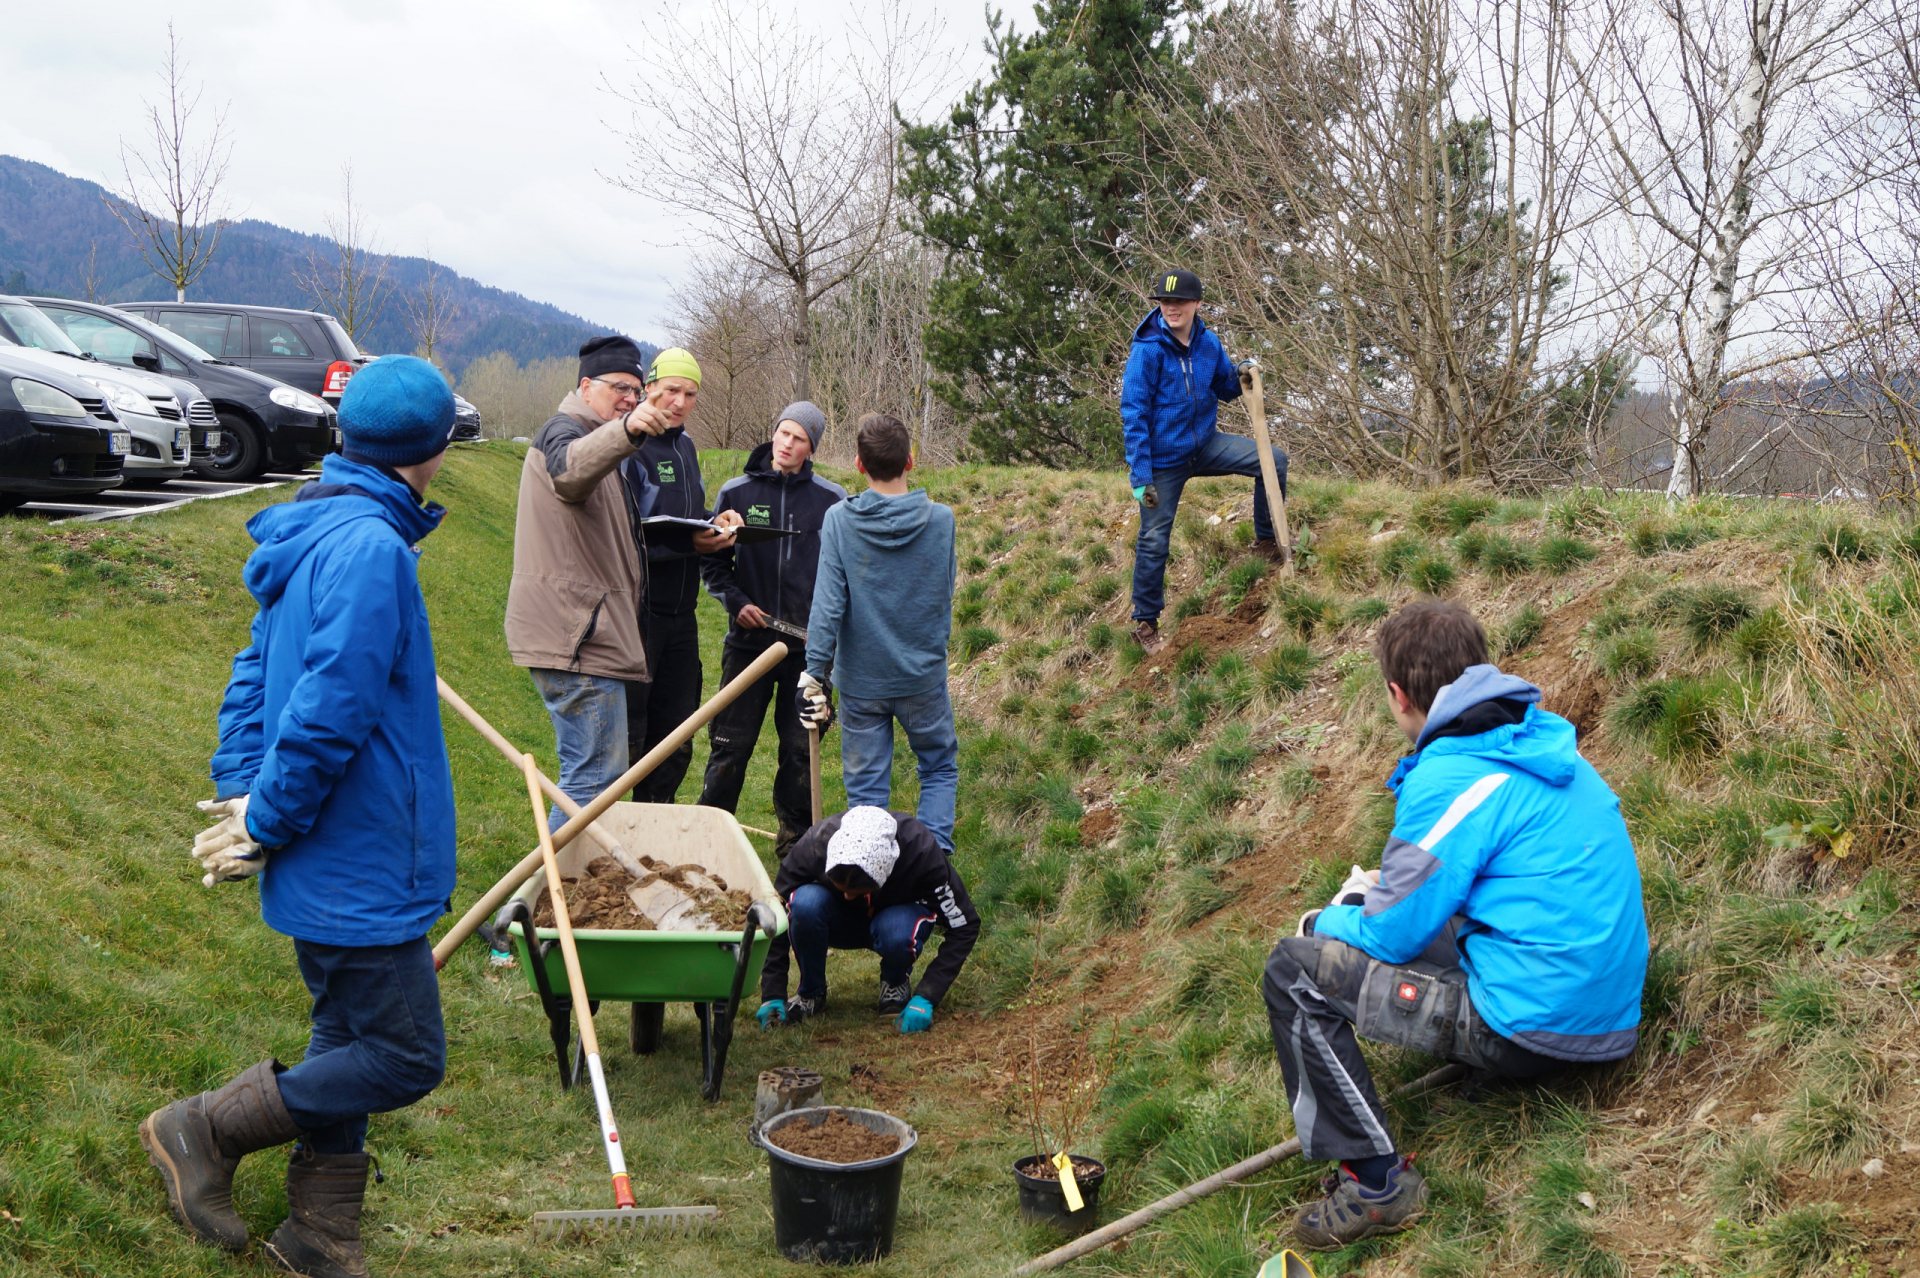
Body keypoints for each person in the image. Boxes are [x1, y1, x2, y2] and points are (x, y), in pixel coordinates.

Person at [143, 356, 460, 1278]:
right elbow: (329, 708)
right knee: (404, 1057)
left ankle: (323, 1233)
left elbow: (253, 668)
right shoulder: (369, 549)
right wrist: (266, 815)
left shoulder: (315, 526)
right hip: (357, 858)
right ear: (435, 450)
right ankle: (202, 1128)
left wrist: (246, 787)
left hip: (324, 852)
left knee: (345, 1038)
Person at [1264, 601, 1648, 1249]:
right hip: (1608, 1009)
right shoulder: (1536, 736)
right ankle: (1491, 1066)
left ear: (1396, 694)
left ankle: (1377, 1182)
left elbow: (1391, 937)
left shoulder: (1450, 776)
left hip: (1537, 1026)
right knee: (1422, 913)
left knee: (1295, 971)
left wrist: (1328, 919)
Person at [503, 336, 733, 831]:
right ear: (586, 386)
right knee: (595, 781)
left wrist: (709, 530)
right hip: (578, 636)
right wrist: (628, 430)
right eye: (621, 389)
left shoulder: (626, 439)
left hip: (602, 632)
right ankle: (547, 896)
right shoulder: (566, 432)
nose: (631, 399)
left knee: (598, 777)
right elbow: (568, 472)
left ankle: (553, 892)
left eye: (634, 391)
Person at [799, 413, 959, 851]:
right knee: (938, 769)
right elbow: (941, 595)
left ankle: (872, 874)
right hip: (922, 675)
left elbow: (828, 603)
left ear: (857, 465)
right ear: (911, 461)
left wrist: (814, 674)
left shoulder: (839, 520)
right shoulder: (941, 520)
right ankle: (933, 870)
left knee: (867, 795)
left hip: (862, 683)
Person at [698, 402, 846, 855]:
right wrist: (737, 603)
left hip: (808, 653)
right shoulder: (736, 493)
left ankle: (797, 848)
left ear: (811, 448)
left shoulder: (832, 501)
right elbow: (713, 564)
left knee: (801, 752)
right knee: (730, 746)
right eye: (783, 432)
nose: (787, 444)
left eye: (799, 438)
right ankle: (708, 836)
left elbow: (843, 577)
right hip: (748, 646)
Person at [1123, 268, 1290, 655]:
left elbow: (1225, 387)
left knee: (1274, 462)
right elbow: (1133, 415)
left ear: (1197, 304)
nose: (1171, 308)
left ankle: (1266, 541)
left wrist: (1244, 371)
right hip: (1163, 461)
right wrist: (1141, 477)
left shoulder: (1208, 343)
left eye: (1179, 301)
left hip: (1206, 445)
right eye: (1165, 302)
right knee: (1153, 538)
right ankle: (1146, 622)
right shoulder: (1147, 351)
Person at [755, 806, 979, 1032]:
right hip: (838, 919)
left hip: (895, 921)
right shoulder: (815, 845)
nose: (848, 896)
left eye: (857, 891)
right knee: (805, 904)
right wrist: (773, 993)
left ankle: (894, 981)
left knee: (896, 930)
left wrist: (928, 996)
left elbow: (964, 925)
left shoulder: (921, 851)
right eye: (841, 888)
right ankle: (811, 993)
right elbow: (773, 915)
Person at [622, 348, 732, 802]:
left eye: (690, 394)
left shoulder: (686, 446)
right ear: (650, 389)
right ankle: (608, 827)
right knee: (630, 732)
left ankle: (655, 821)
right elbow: (627, 532)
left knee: (677, 731)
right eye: (671, 391)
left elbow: (683, 515)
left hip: (682, 616)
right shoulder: (630, 446)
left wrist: (716, 522)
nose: (680, 402)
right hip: (638, 611)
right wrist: (691, 541)